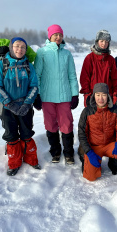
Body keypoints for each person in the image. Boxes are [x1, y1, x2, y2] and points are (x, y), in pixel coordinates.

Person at [0, 37, 40, 176]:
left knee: (27, 134)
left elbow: (34, 86)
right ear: (11, 47)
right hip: (7, 109)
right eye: (17, 46)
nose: (20, 49)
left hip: (25, 107)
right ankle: (14, 163)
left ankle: (31, 159)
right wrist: (9, 103)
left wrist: (27, 103)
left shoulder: (28, 66)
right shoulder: (1, 65)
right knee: (11, 136)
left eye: (23, 47)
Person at [34, 24, 79, 165]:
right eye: (55, 35)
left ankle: (68, 153)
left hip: (64, 96)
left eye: (60, 35)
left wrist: (75, 94)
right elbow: (37, 76)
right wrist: (37, 95)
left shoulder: (67, 54)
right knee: (50, 125)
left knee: (67, 125)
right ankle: (55, 151)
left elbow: (72, 75)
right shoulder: (42, 52)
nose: (58, 37)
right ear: (50, 36)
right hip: (47, 97)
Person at [78, 83, 117, 181]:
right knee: (91, 177)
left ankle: (114, 164)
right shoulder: (87, 111)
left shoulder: (115, 110)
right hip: (93, 146)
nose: (100, 98)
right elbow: (82, 133)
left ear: (108, 96)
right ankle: (85, 158)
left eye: (104, 95)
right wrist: (89, 152)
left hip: (109, 145)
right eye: (98, 95)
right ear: (94, 96)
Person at [79, 29, 117, 107]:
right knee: (93, 118)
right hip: (93, 96)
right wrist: (87, 94)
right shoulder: (89, 58)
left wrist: (115, 94)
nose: (104, 44)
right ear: (97, 41)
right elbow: (84, 77)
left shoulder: (111, 59)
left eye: (106, 42)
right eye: (102, 41)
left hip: (107, 96)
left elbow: (115, 79)